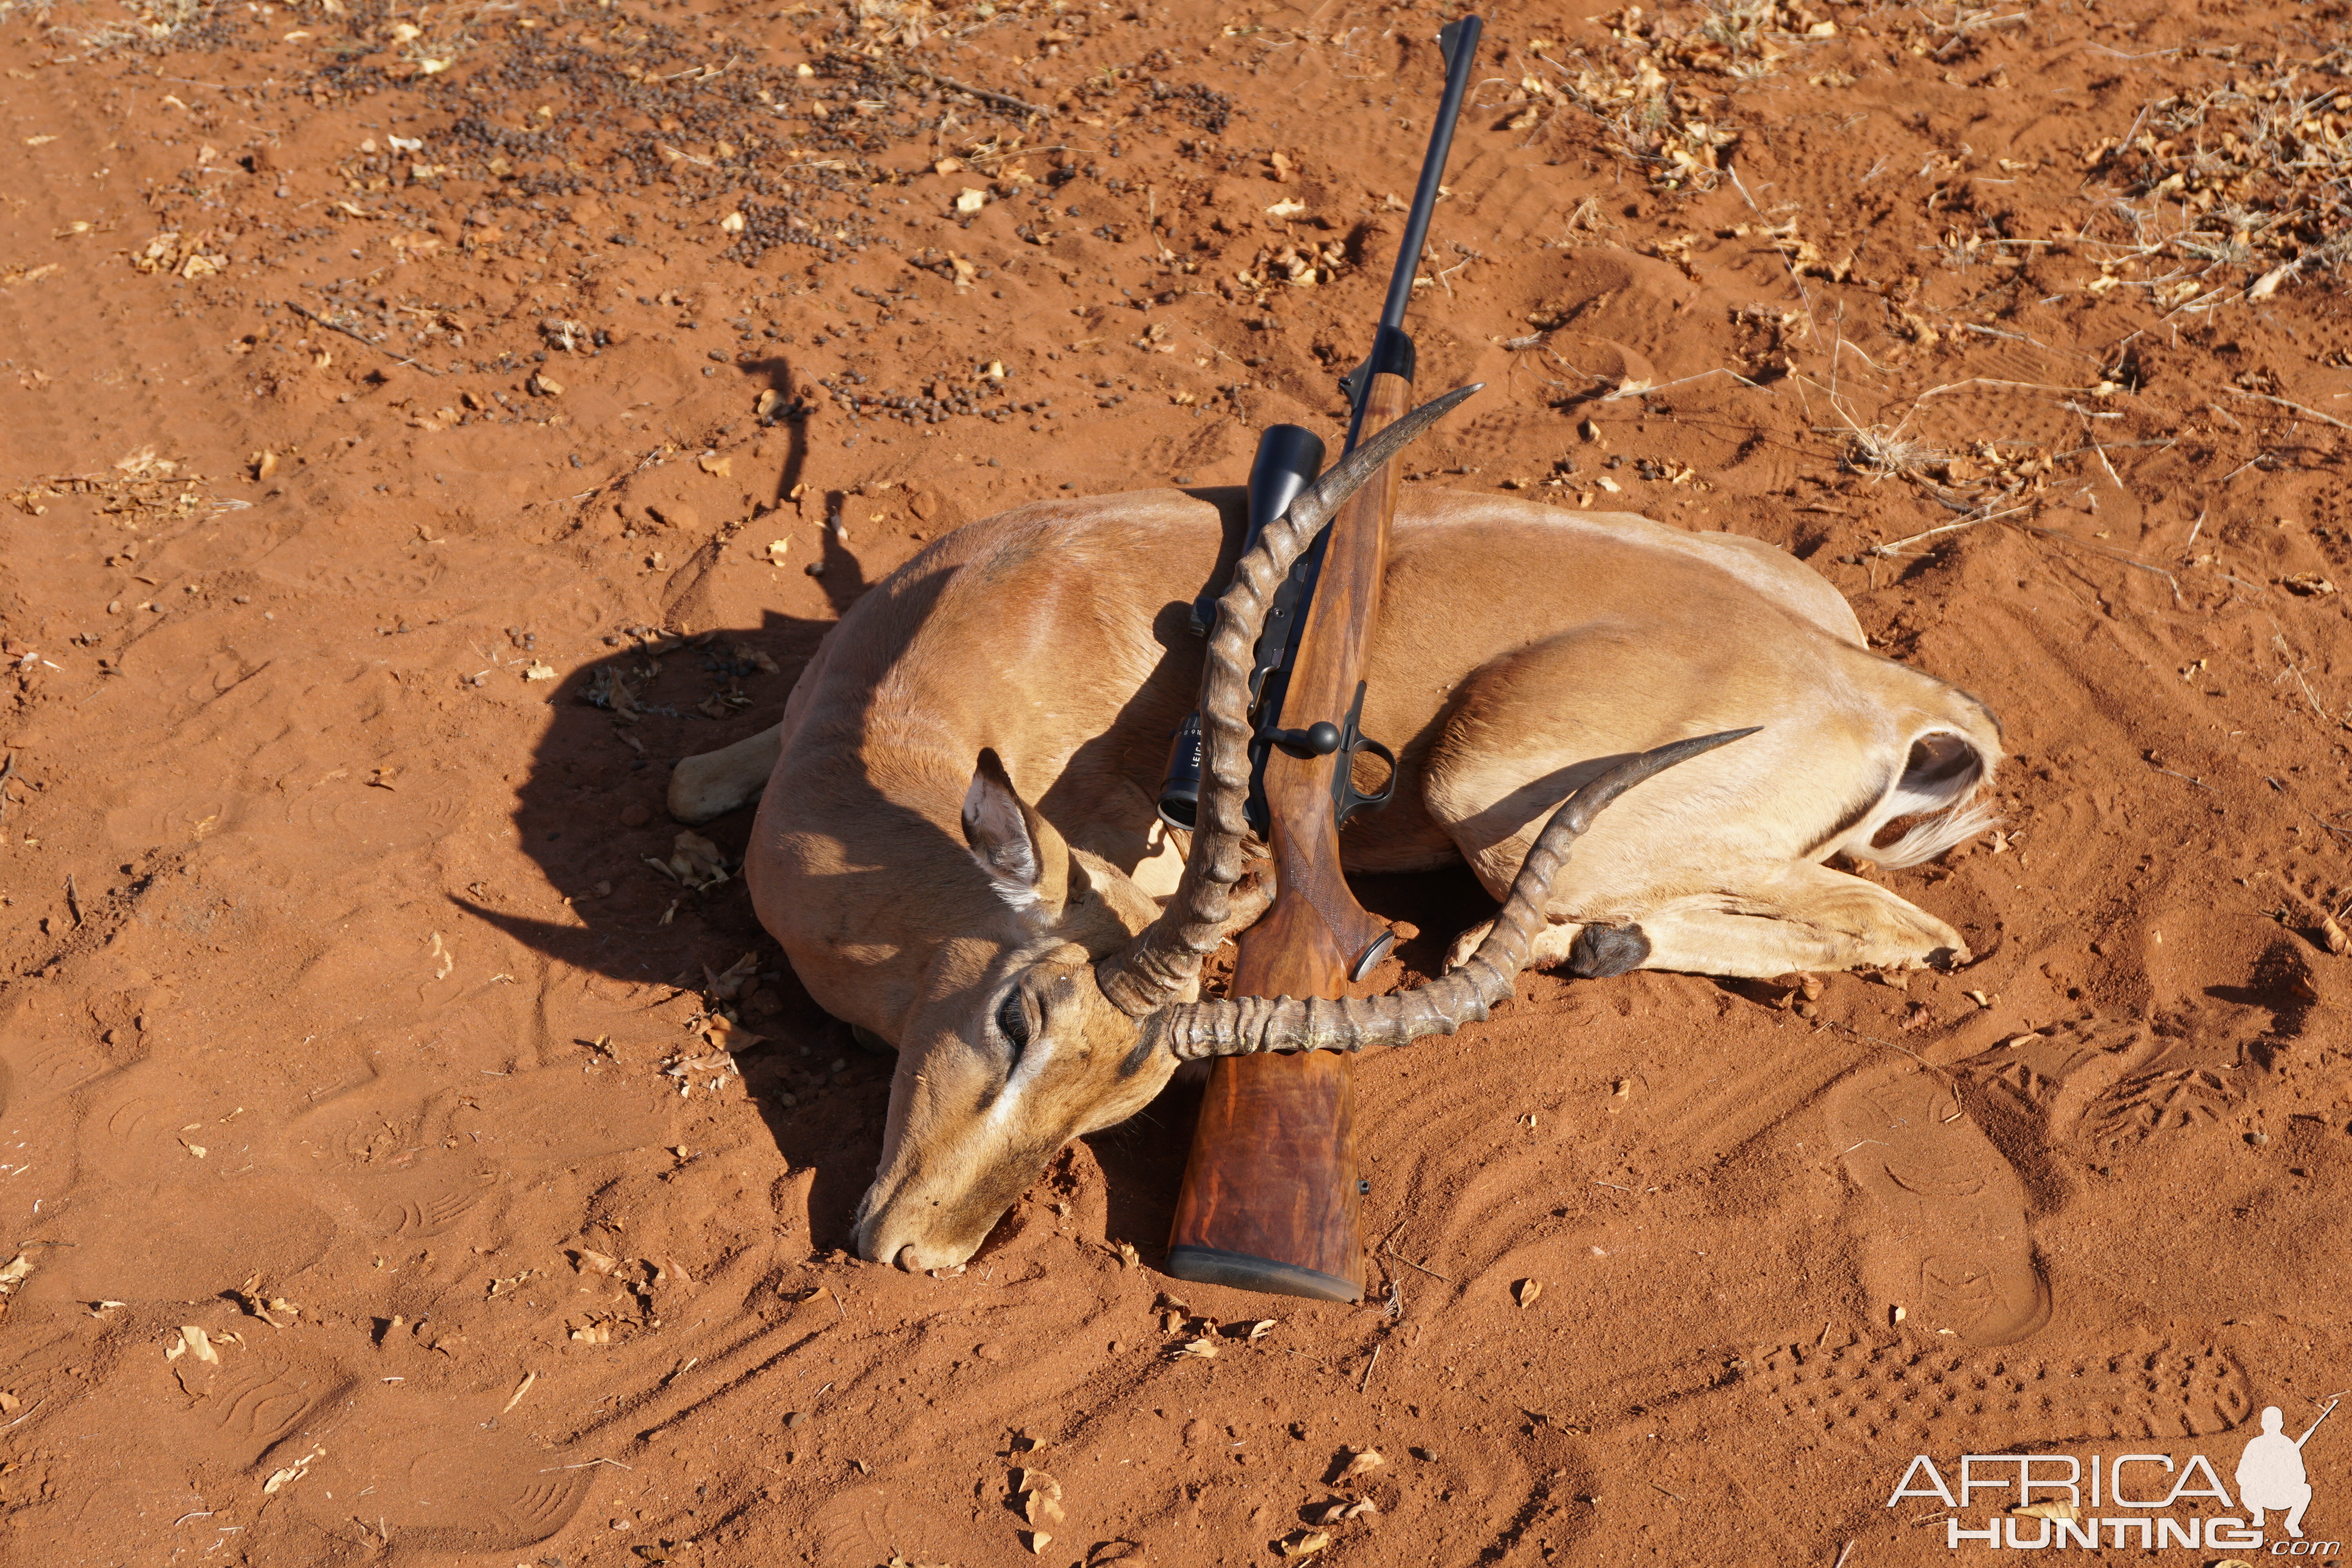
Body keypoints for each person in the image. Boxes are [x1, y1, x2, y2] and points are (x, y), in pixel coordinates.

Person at [2236, 1405, 2315, 1537]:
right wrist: (2260, 1477)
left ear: (2281, 1424)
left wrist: (2283, 1475)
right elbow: (2241, 1475)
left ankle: (2292, 1523)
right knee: (2246, 1488)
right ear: (2263, 1424)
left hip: (2282, 1495)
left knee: (2305, 1489)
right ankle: (2258, 1513)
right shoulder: (2255, 1444)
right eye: (2269, 1422)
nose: (2272, 1426)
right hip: (2259, 1495)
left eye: (2274, 1423)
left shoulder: (2289, 1445)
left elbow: (2301, 1476)